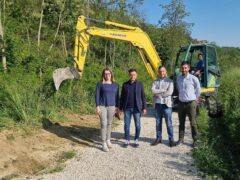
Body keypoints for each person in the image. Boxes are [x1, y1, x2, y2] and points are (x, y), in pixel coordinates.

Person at [119, 69, 147, 148]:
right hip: (127, 108)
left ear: (136, 75)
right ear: (129, 75)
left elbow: (143, 97)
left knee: (137, 125)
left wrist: (144, 107)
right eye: (131, 74)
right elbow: (122, 98)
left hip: (137, 108)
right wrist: (120, 108)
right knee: (126, 125)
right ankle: (127, 139)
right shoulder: (125, 85)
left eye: (134, 74)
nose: (132, 76)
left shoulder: (140, 84)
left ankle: (136, 139)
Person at [151, 66, 176, 147]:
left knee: (169, 123)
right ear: (158, 72)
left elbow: (170, 92)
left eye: (163, 71)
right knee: (158, 123)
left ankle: (171, 140)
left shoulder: (170, 81)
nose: (162, 73)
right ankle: (158, 138)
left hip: (167, 105)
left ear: (166, 72)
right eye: (160, 71)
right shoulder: (155, 81)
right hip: (157, 104)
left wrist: (158, 93)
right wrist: (162, 90)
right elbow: (153, 90)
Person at [177, 61, 201, 145]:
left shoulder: (193, 78)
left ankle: (195, 140)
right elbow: (179, 89)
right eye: (182, 68)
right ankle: (180, 139)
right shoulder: (179, 78)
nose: (184, 69)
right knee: (181, 123)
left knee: (193, 123)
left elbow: (198, 89)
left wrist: (195, 98)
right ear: (181, 69)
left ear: (189, 68)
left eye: (185, 68)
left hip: (191, 103)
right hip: (181, 103)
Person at [95, 67, 119, 152]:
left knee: (109, 124)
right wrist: (97, 106)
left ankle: (108, 139)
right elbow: (97, 95)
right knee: (104, 124)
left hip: (112, 106)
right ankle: (103, 142)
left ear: (111, 74)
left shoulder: (115, 84)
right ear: (103, 75)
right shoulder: (100, 84)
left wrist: (117, 107)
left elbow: (117, 97)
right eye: (105, 73)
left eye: (108, 73)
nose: (107, 75)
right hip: (102, 106)